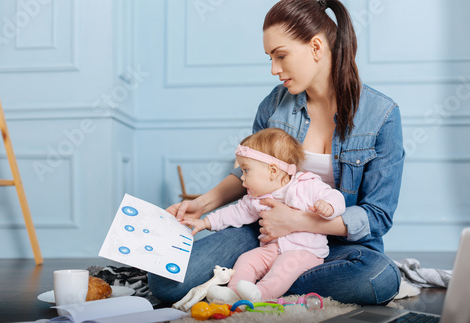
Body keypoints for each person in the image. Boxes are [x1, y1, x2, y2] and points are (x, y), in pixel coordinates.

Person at [148, 0, 405, 306]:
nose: (274, 69)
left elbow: (377, 216)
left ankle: (259, 284)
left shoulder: (382, 115)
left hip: (338, 246)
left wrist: (299, 222)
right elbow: (246, 171)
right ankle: (270, 283)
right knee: (165, 280)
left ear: (316, 47)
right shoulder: (273, 105)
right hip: (267, 234)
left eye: (281, 56)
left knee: (380, 277)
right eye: (270, 58)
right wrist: (203, 204)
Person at [181, 128, 345, 302]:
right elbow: (234, 212)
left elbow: (336, 197)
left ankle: (261, 294)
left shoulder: (307, 185)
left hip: (304, 251)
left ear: (273, 171)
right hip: (272, 249)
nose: (242, 178)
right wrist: (205, 222)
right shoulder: (258, 197)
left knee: (283, 268)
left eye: (246, 170)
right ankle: (234, 293)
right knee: (247, 259)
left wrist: (329, 206)